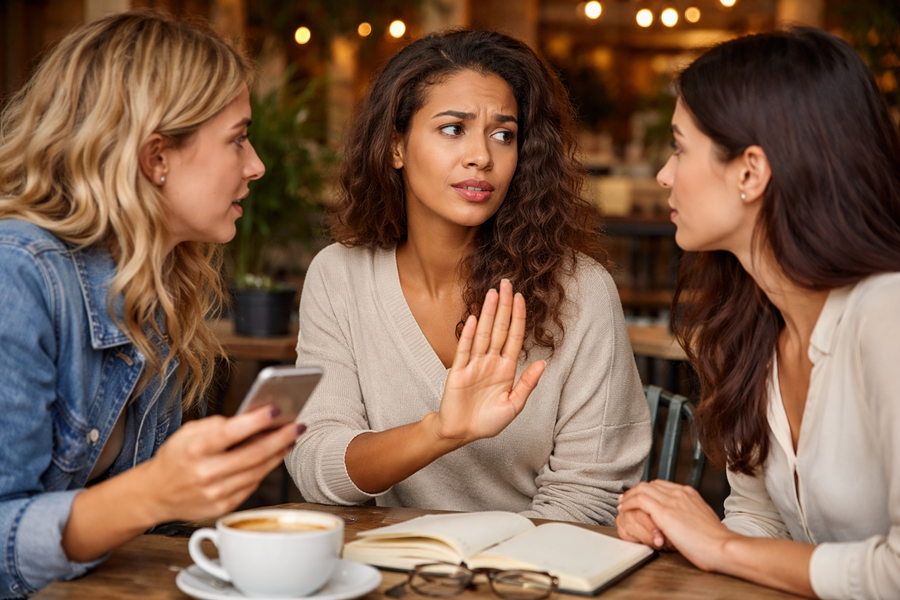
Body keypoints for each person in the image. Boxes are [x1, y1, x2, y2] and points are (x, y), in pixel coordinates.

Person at [286, 29, 650, 525]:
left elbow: (591, 495)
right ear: (395, 145)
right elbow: (315, 465)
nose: (482, 155)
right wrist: (439, 431)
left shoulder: (580, 290)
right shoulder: (339, 276)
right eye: (453, 128)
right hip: (398, 565)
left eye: (504, 134)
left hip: (539, 574)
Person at [0, 12, 304, 597]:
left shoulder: (153, 289)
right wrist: (154, 491)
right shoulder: (20, 275)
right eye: (238, 139)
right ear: (156, 157)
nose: (256, 165)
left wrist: (201, 485)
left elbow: (149, 540)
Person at [615, 28, 900, 599]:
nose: (664, 176)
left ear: (750, 172)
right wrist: (682, 534)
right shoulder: (751, 325)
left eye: (679, 147)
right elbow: (763, 527)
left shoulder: (884, 313)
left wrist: (719, 547)